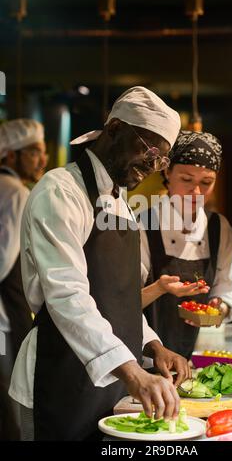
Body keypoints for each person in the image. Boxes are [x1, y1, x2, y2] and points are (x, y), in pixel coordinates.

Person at [9, 86, 191, 441]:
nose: (152, 167)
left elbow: (116, 298)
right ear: (115, 129)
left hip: (108, 382)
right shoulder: (61, 191)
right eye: (149, 150)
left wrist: (151, 345)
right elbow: (67, 296)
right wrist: (131, 372)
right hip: (59, 375)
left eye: (161, 160)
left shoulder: (120, 202)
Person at [141, 130, 232, 360]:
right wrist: (160, 288)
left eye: (206, 182)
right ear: (167, 171)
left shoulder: (219, 228)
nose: (196, 192)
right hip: (143, 356)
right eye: (186, 179)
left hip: (195, 353)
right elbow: (123, 303)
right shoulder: (142, 225)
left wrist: (218, 308)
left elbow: (225, 289)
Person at [0, 118, 46, 440]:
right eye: (33, 152)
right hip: (3, 316)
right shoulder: (14, 191)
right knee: (10, 410)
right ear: (11, 156)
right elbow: (3, 261)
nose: (42, 161)